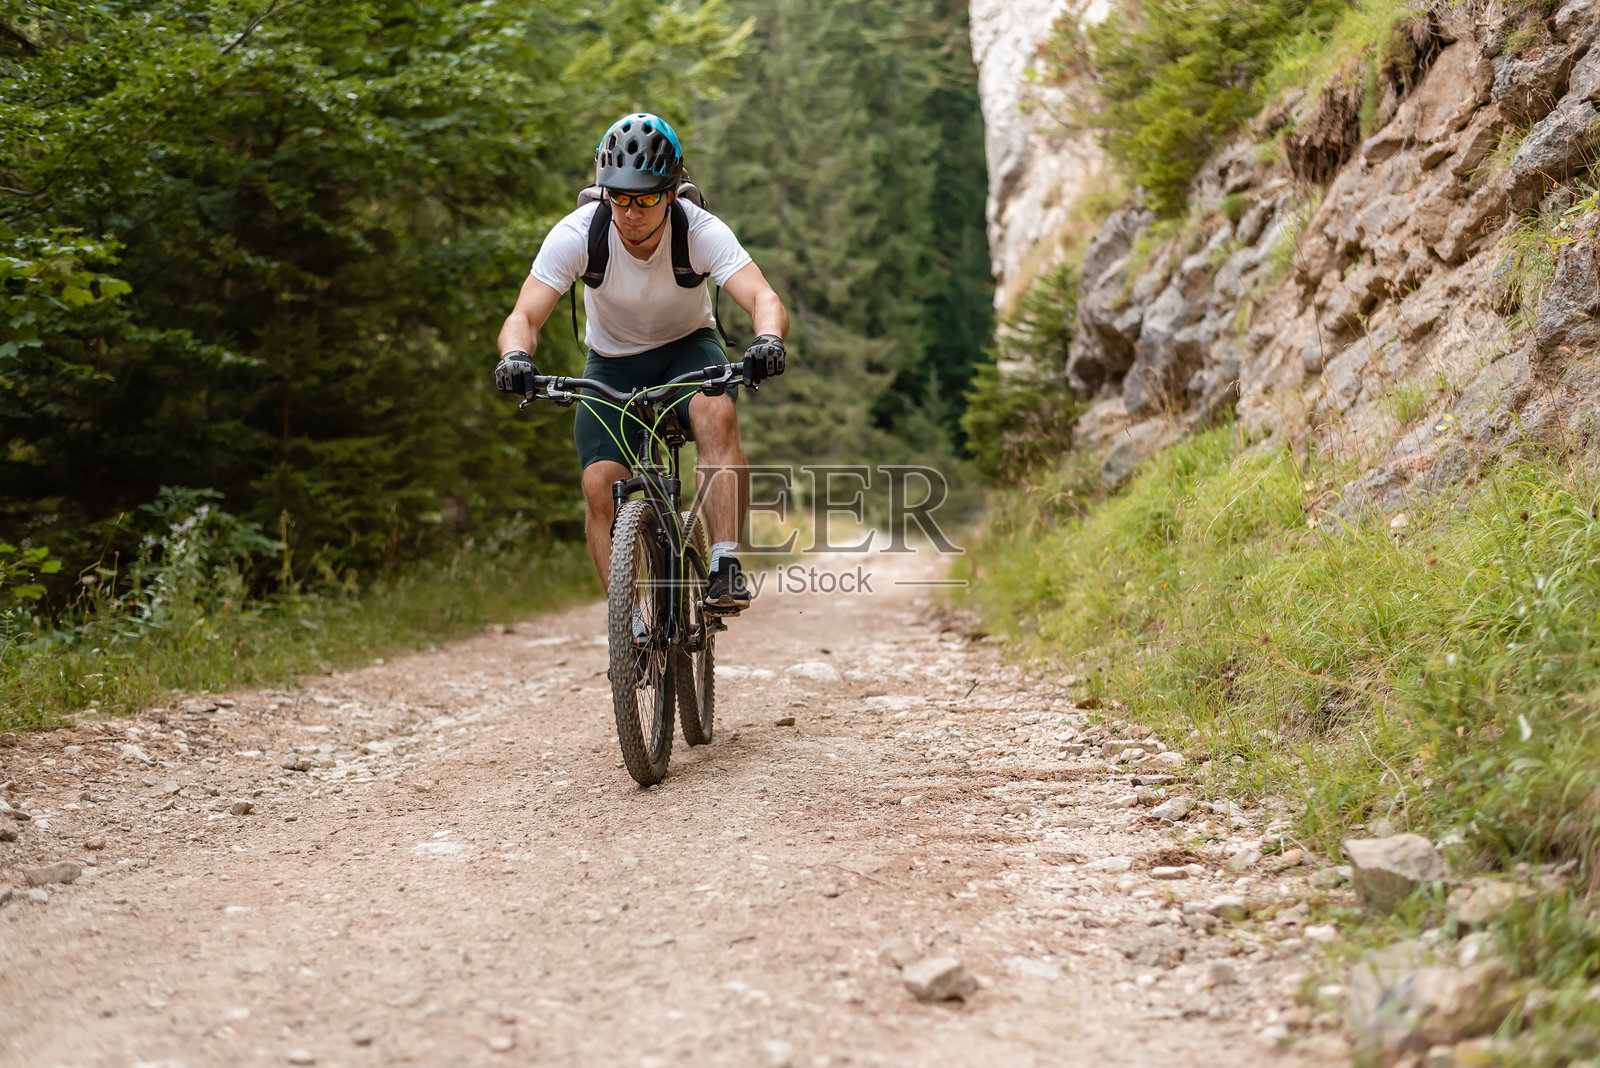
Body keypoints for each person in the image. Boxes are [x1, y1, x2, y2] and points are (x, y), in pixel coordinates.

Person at [494, 112, 788, 613]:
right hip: (612, 364)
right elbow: (523, 316)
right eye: (619, 197)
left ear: (671, 193)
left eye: (646, 198)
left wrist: (768, 340)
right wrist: (516, 356)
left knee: (716, 412)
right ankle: (626, 624)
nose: (631, 213)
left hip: (688, 351)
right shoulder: (578, 234)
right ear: (604, 191)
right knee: (598, 482)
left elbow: (764, 297)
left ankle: (724, 564)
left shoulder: (698, 231)